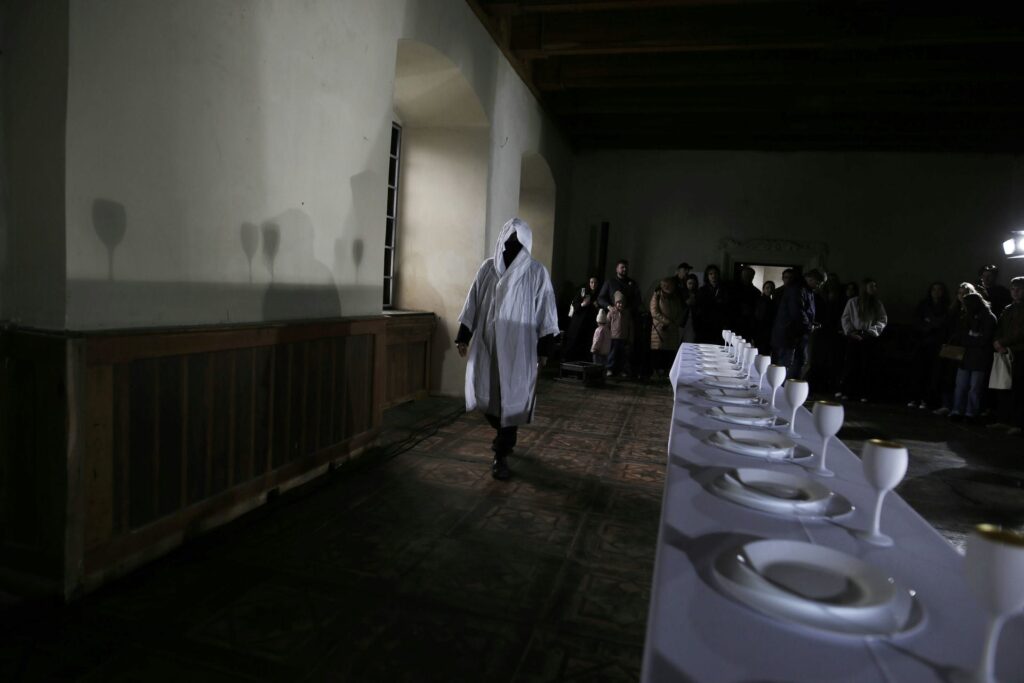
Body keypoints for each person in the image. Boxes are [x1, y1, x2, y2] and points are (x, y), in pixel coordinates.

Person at [456, 217, 559, 481]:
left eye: (517, 240)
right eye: (509, 239)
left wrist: (545, 347)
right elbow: (473, 301)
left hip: (518, 348)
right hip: (489, 345)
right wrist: (463, 335)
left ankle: (501, 453)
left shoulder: (536, 272)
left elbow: (546, 311)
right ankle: (503, 438)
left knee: (511, 403)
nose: (511, 244)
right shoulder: (488, 269)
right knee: (488, 398)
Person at [949, 293, 997, 423]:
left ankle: (965, 412)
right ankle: (963, 412)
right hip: (970, 357)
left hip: (977, 358)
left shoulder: (987, 318)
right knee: (965, 386)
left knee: (971, 387)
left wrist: (970, 338)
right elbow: (964, 336)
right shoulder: (972, 316)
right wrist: (974, 337)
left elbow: (984, 340)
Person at [838, 278, 887, 402]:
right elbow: (846, 318)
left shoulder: (877, 304)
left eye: (875, 286)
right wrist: (851, 332)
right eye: (871, 286)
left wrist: (871, 332)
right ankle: (847, 391)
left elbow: (882, 319)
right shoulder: (853, 302)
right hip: (854, 336)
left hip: (869, 337)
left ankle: (864, 393)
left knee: (867, 365)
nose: (874, 289)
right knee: (851, 365)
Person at [771, 269, 821, 383]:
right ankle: (785, 390)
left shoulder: (804, 289)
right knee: (787, 365)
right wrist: (809, 326)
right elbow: (797, 312)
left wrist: (811, 323)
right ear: (811, 279)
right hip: (790, 334)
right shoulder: (798, 289)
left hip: (793, 334)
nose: (819, 286)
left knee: (793, 363)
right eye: (819, 282)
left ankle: (788, 389)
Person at [907, 282, 950, 410]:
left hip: (936, 345)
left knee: (933, 374)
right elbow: (918, 322)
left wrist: (930, 323)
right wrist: (929, 326)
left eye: (939, 289)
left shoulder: (946, 307)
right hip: (922, 343)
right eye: (934, 289)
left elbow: (943, 324)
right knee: (919, 371)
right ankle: (916, 397)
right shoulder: (924, 305)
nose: (936, 292)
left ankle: (927, 399)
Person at [992, 276, 1024, 435]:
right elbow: (999, 327)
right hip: (1005, 351)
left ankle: (1018, 423)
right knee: (1004, 386)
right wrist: (997, 342)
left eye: (1019, 289)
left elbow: (1021, 332)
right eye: (1013, 289)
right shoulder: (1008, 308)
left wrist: (1002, 342)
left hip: (1020, 352)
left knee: (1019, 388)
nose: (1015, 292)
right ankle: (1004, 419)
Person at [649, 277, 684, 376]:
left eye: (670, 285)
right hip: (660, 329)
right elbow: (654, 312)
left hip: (672, 329)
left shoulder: (676, 297)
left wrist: (676, 322)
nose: (668, 287)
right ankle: (657, 372)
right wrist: (667, 322)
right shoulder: (657, 296)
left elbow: (680, 311)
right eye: (666, 285)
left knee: (670, 352)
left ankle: (667, 372)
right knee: (659, 351)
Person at [563, 275, 601, 362]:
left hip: (590, 324)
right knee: (574, 341)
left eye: (595, 282)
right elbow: (575, 304)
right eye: (591, 282)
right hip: (579, 322)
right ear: (589, 283)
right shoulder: (583, 291)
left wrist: (597, 306)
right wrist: (582, 304)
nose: (593, 284)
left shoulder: (599, 294)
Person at [695, 264, 729, 344]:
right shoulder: (702, 290)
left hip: (720, 324)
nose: (713, 276)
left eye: (715, 273)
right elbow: (699, 308)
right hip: (705, 324)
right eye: (710, 274)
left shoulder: (724, 289)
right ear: (707, 276)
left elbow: (727, 307)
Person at [606, 290, 634, 377]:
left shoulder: (627, 314)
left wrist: (630, 338)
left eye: (622, 303)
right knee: (612, 355)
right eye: (618, 302)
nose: (620, 304)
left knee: (623, 356)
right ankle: (609, 369)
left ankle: (622, 370)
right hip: (613, 338)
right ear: (615, 303)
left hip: (624, 338)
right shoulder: (611, 312)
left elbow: (630, 327)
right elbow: (607, 325)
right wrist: (606, 337)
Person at [731, 265, 761, 340]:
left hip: (748, 324)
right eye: (745, 275)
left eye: (749, 275)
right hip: (734, 322)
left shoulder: (756, 292)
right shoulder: (733, 289)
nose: (746, 277)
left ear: (752, 277)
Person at [754, 280, 775, 354]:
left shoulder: (771, 301)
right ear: (763, 289)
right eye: (767, 288)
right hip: (761, 331)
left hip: (766, 332)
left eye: (771, 288)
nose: (769, 290)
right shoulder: (761, 301)